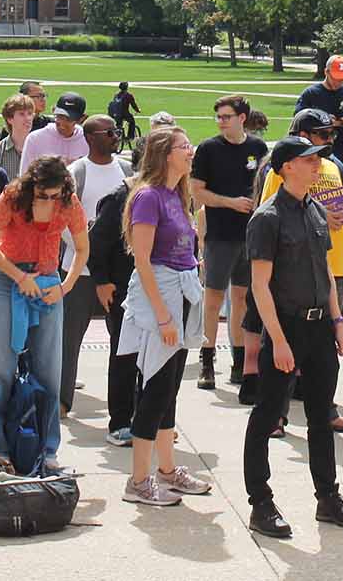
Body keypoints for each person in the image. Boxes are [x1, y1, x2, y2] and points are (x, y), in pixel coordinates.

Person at [243, 135, 343, 537]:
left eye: (317, 160)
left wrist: (338, 321)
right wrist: (276, 340)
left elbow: (326, 273)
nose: (317, 166)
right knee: (266, 416)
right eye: (308, 160)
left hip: (318, 331)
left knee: (320, 417)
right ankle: (261, 503)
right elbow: (259, 286)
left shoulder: (316, 211)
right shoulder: (266, 218)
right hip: (285, 327)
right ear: (286, 167)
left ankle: (328, 498)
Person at [113, 127, 211, 506]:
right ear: (164, 154)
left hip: (182, 296)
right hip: (162, 301)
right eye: (184, 147)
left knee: (168, 391)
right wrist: (163, 317)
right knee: (153, 390)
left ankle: (167, 472)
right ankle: (138, 481)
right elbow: (143, 259)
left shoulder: (177, 195)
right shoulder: (148, 197)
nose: (191, 152)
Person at [0, 155, 88, 475]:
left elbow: (82, 248)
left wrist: (66, 285)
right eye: (43, 195)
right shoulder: (13, 197)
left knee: (49, 369)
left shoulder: (68, 202)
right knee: (0, 367)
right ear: (32, 186)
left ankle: (47, 447)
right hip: (7, 280)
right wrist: (19, 276)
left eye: (55, 195)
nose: (50, 201)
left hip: (49, 281)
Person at [190, 95, 267, 389]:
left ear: (242, 118)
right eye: (219, 117)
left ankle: (240, 360)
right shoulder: (209, 149)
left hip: (249, 236)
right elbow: (197, 192)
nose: (221, 121)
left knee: (241, 300)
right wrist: (230, 203)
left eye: (226, 116)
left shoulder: (257, 148)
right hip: (220, 236)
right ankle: (207, 360)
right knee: (212, 300)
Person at [57, 116, 126, 413]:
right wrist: (87, 249)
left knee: (123, 342)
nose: (115, 136)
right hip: (79, 271)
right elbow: (61, 222)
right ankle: (61, 401)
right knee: (68, 340)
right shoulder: (76, 173)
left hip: (117, 273)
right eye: (109, 132)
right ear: (90, 138)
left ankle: (122, 407)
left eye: (116, 131)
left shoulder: (127, 170)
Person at [88, 164, 140, 447]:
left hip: (156, 289)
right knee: (125, 356)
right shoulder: (121, 197)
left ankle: (147, 419)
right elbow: (96, 241)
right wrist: (101, 281)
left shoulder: (171, 193)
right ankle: (120, 422)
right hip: (122, 289)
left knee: (153, 360)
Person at [295, 55, 343, 180]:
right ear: (326, 72)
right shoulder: (311, 94)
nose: (338, 82)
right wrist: (323, 121)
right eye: (336, 78)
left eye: (342, 79)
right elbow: (298, 121)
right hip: (317, 156)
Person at [19, 92, 88, 173]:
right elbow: (25, 174)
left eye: (68, 119)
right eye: (59, 116)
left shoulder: (88, 139)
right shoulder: (35, 139)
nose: (62, 123)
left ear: (81, 119)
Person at [0, 93, 36, 182]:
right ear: (9, 119)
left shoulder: (40, 146)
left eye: (30, 113)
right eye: (21, 114)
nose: (27, 118)